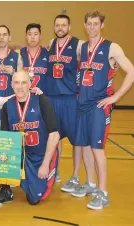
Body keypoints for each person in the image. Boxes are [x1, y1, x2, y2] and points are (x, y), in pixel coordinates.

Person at [73, 11, 134, 210]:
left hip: (99, 106)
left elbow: (131, 71)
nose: (92, 27)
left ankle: (103, 193)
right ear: (85, 25)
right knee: (85, 147)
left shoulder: (111, 47)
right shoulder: (82, 47)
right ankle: (90, 184)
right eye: (88, 23)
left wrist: (115, 97)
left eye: (95, 23)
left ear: (102, 25)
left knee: (97, 149)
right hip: (82, 105)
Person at [0, 70, 59, 206]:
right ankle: (5, 189)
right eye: (16, 83)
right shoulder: (7, 106)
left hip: (40, 156)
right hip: (21, 155)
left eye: (23, 83)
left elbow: (54, 135)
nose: (20, 87)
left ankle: (39, 175)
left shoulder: (42, 101)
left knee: (34, 198)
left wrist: (45, 165)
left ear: (30, 84)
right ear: (11, 85)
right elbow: (5, 140)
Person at [46, 14, 84, 189]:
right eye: (57, 25)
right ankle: (56, 169)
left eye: (63, 25)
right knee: (55, 138)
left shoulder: (78, 45)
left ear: (69, 27)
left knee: (76, 140)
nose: (60, 28)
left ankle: (75, 176)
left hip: (70, 99)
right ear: (54, 27)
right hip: (52, 98)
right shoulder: (51, 44)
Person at [20, 23, 49, 92]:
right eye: (29, 34)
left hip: (42, 96)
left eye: (35, 34)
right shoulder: (20, 54)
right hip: (24, 96)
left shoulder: (47, 54)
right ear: (26, 36)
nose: (32, 37)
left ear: (40, 36)